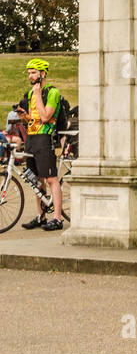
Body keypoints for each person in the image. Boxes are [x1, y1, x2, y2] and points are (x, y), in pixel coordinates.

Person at [18, 58, 63, 232]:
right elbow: (35, 118)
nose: (30, 76)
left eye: (33, 72)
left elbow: (45, 117)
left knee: (51, 179)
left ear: (42, 74)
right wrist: (25, 117)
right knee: (36, 180)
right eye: (29, 73)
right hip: (32, 138)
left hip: (45, 138)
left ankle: (57, 218)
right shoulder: (30, 94)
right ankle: (40, 215)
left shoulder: (52, 92)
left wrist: (37, 94)